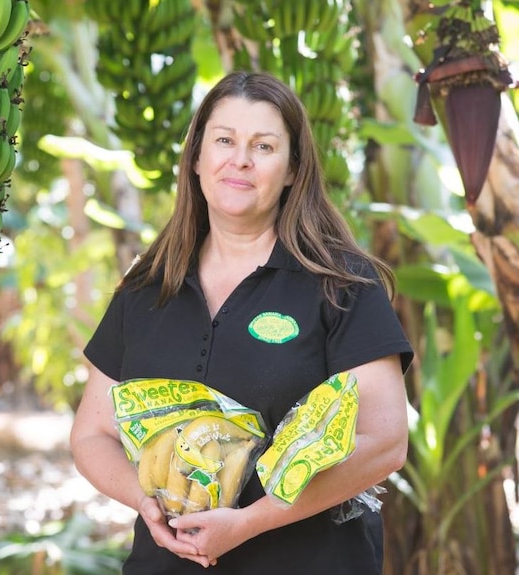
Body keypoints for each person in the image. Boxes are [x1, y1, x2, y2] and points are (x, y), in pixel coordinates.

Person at [69, 70, 414, 574]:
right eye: (224, 140)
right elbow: (92, 434)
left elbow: (384, 442)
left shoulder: (340, 284)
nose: (241, 160)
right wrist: (145, 502)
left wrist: (251, 521)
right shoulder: (147, 287)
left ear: (293, 169)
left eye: (264, 146)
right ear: (196, 158)